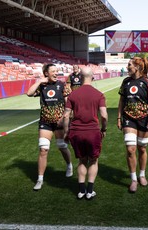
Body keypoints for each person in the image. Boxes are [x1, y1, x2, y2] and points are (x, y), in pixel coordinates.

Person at [63, 67, 108, 200]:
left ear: (80, 77)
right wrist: (104, 129)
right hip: (93, 132)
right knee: (93, 161)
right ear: (92, 76)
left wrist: (66, 132)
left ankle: (81, 190)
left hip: (76, 132)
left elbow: (66, 116)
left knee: (82, 161)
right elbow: (104, 116)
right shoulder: (98, 94)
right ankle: (90, 191)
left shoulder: (73, 95)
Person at [27, 63, 73, 191]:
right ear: (46, 73)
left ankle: (69, 165)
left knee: (62, 146)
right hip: (45, 122)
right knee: (43, 149)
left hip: (59, 122)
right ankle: (40, 179)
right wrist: (39, 82)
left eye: (56, 71)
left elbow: (68, 105)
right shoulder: (42, 86)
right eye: (53, 71)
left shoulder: (62, 85)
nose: (55, 73)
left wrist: (64, 118)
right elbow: (29, 93)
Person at [117, 57, 148, 193]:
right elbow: (121, 100)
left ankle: (142, 174)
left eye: (129, 65)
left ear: (137, 67)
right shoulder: (126, 82)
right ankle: (133, 179)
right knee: (130, 149)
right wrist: (119, 117)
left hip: (144, 119)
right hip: (128, 118)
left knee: (142, 149)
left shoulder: (147, 81)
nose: (127, 67)